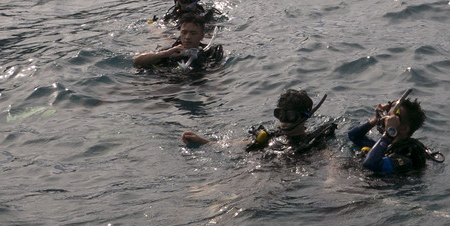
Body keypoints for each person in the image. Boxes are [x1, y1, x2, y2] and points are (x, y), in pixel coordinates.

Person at [181, 88, 336, 153]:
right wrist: (204, 142)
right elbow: (238, 143)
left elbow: (330, 160)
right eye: (280, 114)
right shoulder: (271, 135)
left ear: (304, 117)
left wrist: (331, 179)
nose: (283, 120)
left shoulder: (313, 141)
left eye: (289, 116)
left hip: (284, 173)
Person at [347, 95, 431, 175]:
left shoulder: (406, 159)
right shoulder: (389, 147)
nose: (386, 118)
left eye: (392, 117)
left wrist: (389, 134)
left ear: (404, 128)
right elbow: (353, 136)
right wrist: (376, 119)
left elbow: (370, 164)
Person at [133, 14, 222, 71]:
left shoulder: (210, 53)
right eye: (184, 32)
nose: (187, 37)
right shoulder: (171, 51)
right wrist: (165, 54)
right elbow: (137, 61)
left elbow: (217, 77)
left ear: (202, 36)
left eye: (193, 33)